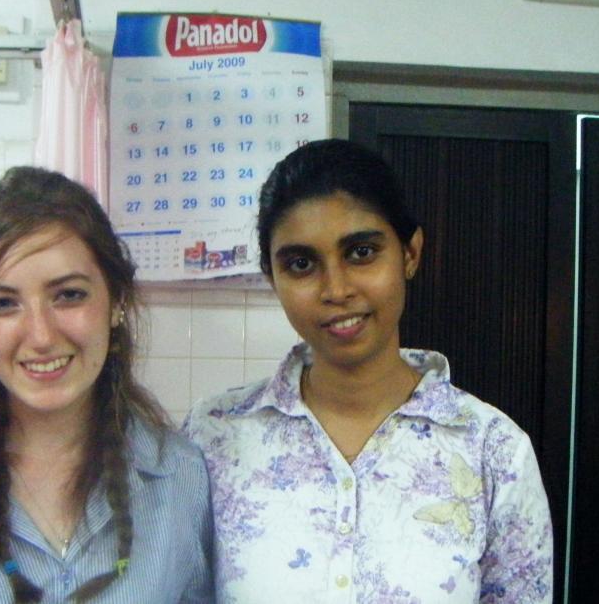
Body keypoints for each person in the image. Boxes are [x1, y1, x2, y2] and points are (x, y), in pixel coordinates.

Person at [184, 139, 553, 603]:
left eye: (361, 252)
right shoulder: (212, 437)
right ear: (272, 276)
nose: (336, 289)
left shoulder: (494, 452)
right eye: (301, 264)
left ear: (410, 254)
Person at [0, 167, 214, 603]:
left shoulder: (181, 477)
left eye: (68, 295)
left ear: (116, 301)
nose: (40, 336)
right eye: (4, 304)